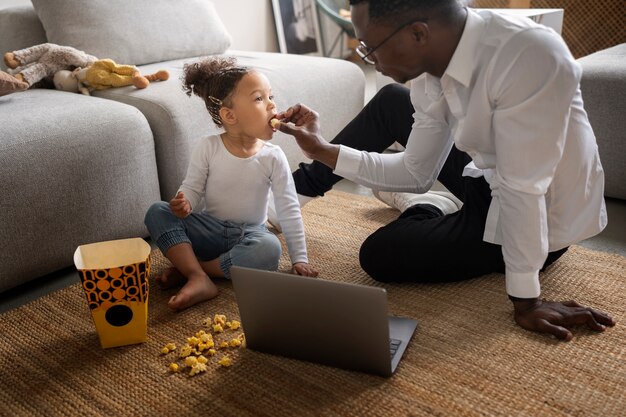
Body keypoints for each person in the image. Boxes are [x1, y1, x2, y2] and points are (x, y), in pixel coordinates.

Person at [273, 0, 615, 340]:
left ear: (418, 33)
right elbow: (415, 172)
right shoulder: (430, 69)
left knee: (378, 255)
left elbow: (522, 190)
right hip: (485, 175)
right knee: (392, 99)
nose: (372, 63)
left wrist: (527, 300)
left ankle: (434, 206)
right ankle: (292, 194)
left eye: (371, 48)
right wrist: (321, 150)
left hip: (534, 215)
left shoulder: (529, 55)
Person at [144, 57, 318, 311]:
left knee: (269, 249)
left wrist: (299, 258)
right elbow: (192, 187)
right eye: (260, 98)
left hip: (249, 235)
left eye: (271, 96)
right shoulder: (209, 147)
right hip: (209, 231)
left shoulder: (273, 156)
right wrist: (185, 202)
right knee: (157, 211)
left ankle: (193, 271)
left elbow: (289, 209)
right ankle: (199, 275)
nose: (272, 105)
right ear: (229, 115)